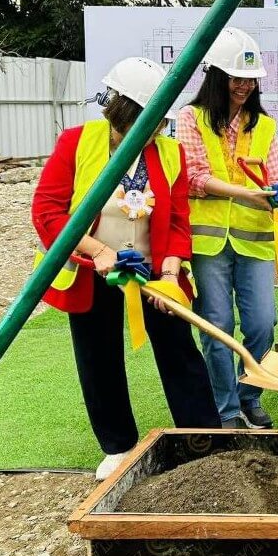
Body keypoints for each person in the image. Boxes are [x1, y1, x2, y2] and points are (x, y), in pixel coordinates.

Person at [32, 58, 220, 480]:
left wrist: (171, 273)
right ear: (122, 113)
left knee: (180, 352)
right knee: (99, 358)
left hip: (153, 270)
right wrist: (98, 251)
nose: (155, 133)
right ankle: (118, 446)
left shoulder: (169, 152)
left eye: (158, 124)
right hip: (91, 270)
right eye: (147, 123)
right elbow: (48, 212)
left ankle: (204, 440)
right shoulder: (77, 143)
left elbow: (176, 221)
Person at [176, 27, 278, 430]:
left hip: (254, 239)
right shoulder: (192, 118)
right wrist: (244, 193)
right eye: (235, 77)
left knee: (262, 323)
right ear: (215, 76)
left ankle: (249, 395)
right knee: (217, 324)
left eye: (249, 78)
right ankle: (225, 411)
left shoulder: (265, 126)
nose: (243, 85)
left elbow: (273, 176)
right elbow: (192, 178)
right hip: (208, 243)